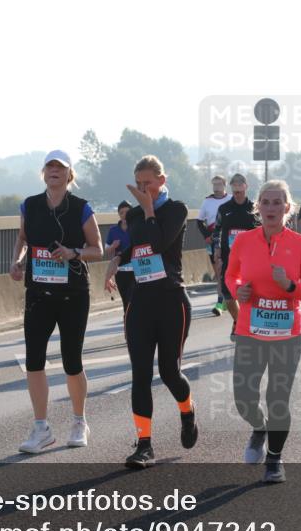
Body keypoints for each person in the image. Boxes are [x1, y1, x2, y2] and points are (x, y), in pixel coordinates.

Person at [104, 155, 195, 469]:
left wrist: (147, 208)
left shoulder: (176, 209)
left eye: (149, 184)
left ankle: (187, 411)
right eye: (138, 184)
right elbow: (138, 246)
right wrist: (116, 261)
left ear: (162, 181)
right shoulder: (139, 216)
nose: (143, 190)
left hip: (171, 301)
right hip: (141, 302)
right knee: (140, 374)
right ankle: (144, 444)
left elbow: (157, 244)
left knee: (170, 372)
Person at [9, 150, 103, 453]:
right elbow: (24, 239)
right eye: (49, 167)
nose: (54, 171)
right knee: (33, 360)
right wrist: (17, 261)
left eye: (60, 168)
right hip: (38, 292)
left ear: (69, 174)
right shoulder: (30, 205)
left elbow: (97, 249)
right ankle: (41, 428)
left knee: (71, 361)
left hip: (73, 293)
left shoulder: (80, 208)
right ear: (43, 172)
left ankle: (79, 421)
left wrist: (73, 253)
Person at [225, 180, 301, 483]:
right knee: (244, 398)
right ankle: (258, 427)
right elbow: (231, 275)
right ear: (258, 207)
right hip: (250, 331)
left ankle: (275, 460)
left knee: (278, 398)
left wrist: (289, 286)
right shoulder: (244, 241)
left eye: (278, 203)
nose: (271, 208)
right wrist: (239, 291)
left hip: (286, 335)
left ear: (288, 208)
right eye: (265, 202)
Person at [215, 173, 259, 342]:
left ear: (246, 187)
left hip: (251, 259)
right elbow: (217, 230)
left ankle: (247, 324)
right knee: (228, 293)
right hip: (229, 257)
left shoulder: (254, 208)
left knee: (250, 292)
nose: (238, 191)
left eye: (240, 187)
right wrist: (217, 249)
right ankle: (238, 320)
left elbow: (263, 232)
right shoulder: (224, 209)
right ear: (231, 188)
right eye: (235, 188)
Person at [197, 176, 231, 317]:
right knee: (219, 272)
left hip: (228, 239)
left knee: (230, 270)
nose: (216, 186)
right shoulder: (207, 201)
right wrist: (207, 236)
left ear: (224, 185)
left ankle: (229, 299)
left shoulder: (230, 199)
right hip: (213, 239)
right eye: (214, 184)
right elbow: (199, 221)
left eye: (218, 184)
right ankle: (220, 302)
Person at [104, 200, 134, 311]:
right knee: (126, 301)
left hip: (137, 271)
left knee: (134, 300)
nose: (124, 214)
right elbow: (106, 250)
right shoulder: (113, 230)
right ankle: (128, 324)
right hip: (120, 271)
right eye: (121, 212)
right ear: (119, 215)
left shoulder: (137, 227)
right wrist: (113, 246)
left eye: (127, 212)